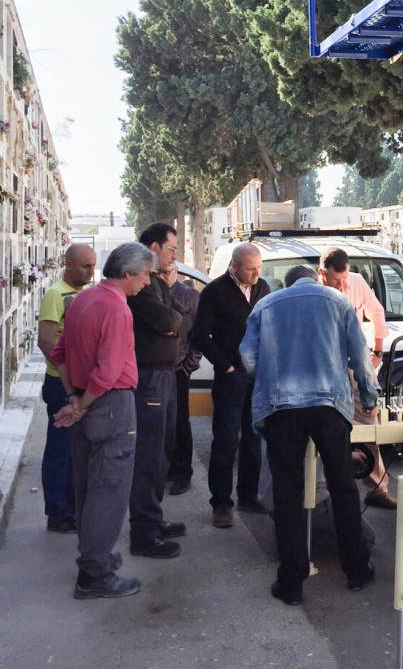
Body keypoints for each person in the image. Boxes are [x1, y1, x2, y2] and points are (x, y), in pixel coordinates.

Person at [241, 265, 378, 605]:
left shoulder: (266, 305)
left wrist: (269, 380)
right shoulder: (337, 301)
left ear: (285, 283)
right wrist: (370, 396)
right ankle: (356, 572)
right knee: (343, 486)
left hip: (282, 409)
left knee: (287, 492)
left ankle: (291, 583)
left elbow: (247, 356)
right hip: (329, 405)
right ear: (316, 278)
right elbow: (360, 354)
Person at [50, 242, 155, 599]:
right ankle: (94, 573)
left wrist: (74, 398)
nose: (147, 282)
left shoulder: (82, 298)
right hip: (111, 404)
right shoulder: (117, 308)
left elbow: (59, 353)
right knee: (109, 490)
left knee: (88, 486)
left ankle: (99, 556)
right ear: (128, 273)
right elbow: (109, 371)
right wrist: (83, 403)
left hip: (86, 398)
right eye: (145, 275)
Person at [191, 242, 271, 528]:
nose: (256, 274)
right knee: (225, 439)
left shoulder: (262, 288)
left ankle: (249, 496)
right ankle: (221, 503)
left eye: (259, 268)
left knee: (254, 437)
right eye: (250, 269)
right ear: (234, 266)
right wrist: (224, 365)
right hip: (231, 375)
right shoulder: (215, 291)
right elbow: (200, 335)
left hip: (257, 376)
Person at [125, 223, 190, 558]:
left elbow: (181, 319)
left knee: (163, 451)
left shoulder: (159, 282)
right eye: (172, 248)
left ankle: (153, 517)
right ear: (154, 247)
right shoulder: (143, 284)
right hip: (148, 377)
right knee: (148, 455)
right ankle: (144, 533)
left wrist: (173, 322)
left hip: (165, 375)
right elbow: (167, 322)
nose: (175, 255)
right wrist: (172, 322)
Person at [319, 247, 396, 510]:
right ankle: (324, 494)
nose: (341, 285)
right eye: (335, 281)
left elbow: (376, 312)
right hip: (325, 370)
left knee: (369, 419)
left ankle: (377, 488)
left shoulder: (357, 282)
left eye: (344, 280)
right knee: (328, 428)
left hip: (355, 364)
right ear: (322, 274)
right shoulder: (316, 294)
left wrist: (377, 347)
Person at [36, 243, 98, 534]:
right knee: (60, 450)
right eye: (86, 266)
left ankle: (72, 507)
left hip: (78, 384)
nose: (91, 271)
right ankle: (57, 513)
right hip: (61, 384)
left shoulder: (84, 295)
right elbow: (47, 342)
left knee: (76, 450)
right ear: (68, 264)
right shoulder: (55, 295)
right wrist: (68, 383)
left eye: (93, 265)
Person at [160, 263, 201, 495]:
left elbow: (198, 334)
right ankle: (166, 467)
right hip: (156, 368)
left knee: (181, 421)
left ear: (176, 270)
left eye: (168, 271)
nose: (164, 276)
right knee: (161, 421)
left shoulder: (189, 296)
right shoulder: (153, 292)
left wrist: (189, 365)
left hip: (179, 369)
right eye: (160, 272)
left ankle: (183, 471)